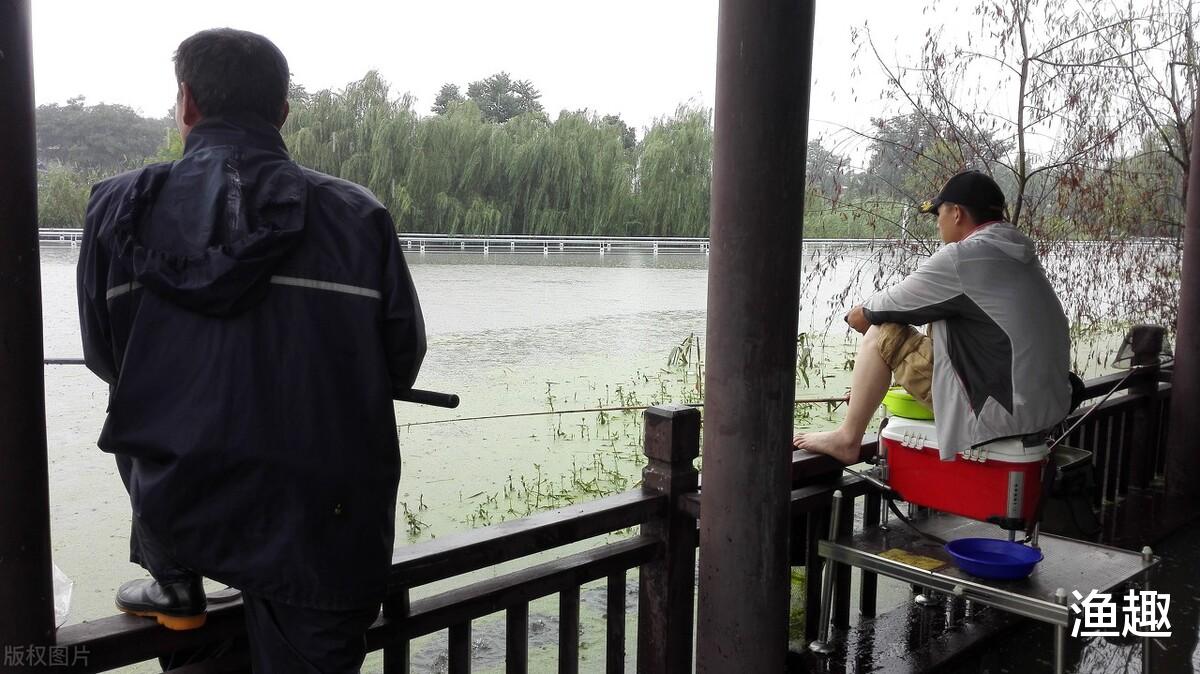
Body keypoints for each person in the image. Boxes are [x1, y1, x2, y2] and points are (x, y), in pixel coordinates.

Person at [77, 28, 426, 672]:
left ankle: (176, 584)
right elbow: (401, 360)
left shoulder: (117, 208)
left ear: (185, 103)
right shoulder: (357, 214)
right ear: (284, 111)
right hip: (326, 522)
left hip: (179, 508)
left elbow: (105, 356)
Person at [793, 170, 1070, 463]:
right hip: (1042, 412)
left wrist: (855, 315)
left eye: (939, 212)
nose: (937, 222)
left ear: (957, 213)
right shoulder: (1018, 254)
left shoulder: (963, 257)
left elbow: (880, 309)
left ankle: (847, 438)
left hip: (998, 415)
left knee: (880, 332)